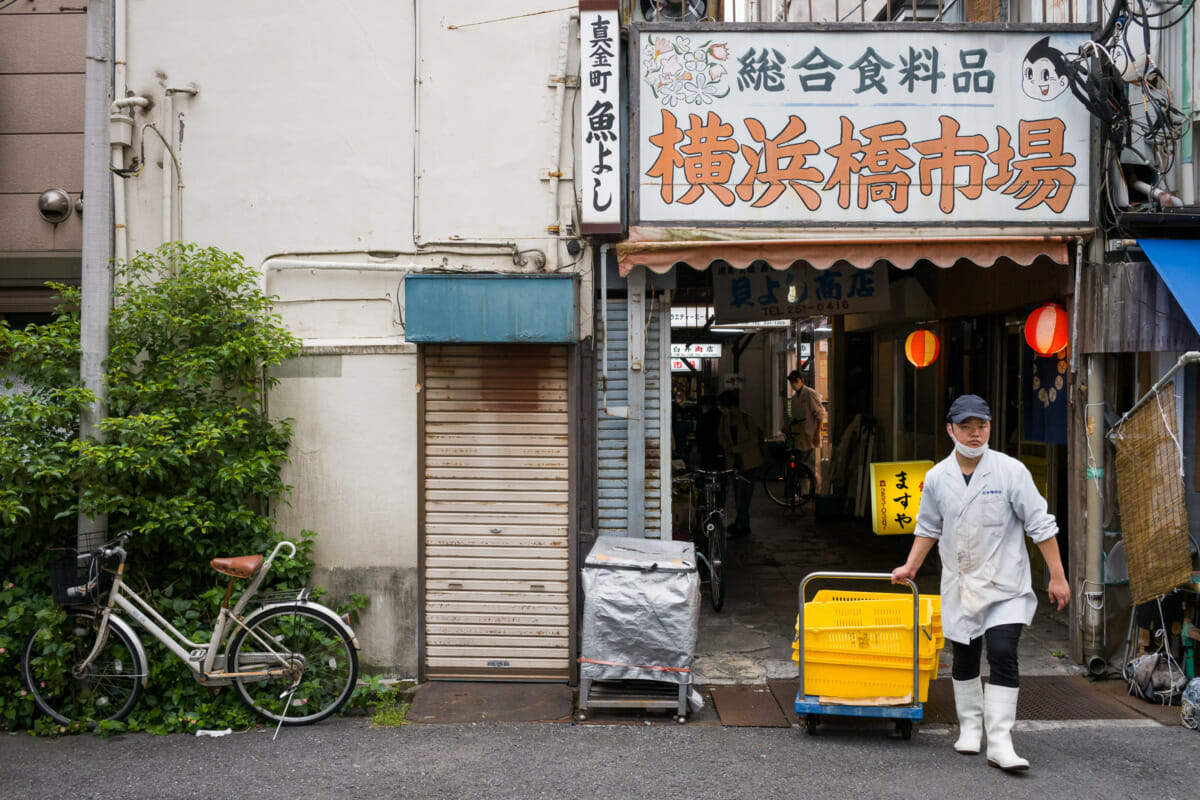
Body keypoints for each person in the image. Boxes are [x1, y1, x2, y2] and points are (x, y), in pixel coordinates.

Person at [891, 394, 1069, 773]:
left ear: (990, 427)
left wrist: (1057, 575)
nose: (975, 434)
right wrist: (910, 566)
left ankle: (1000, 740)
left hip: (1005, 582)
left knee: (1003, 652)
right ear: (950, 429)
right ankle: (970, 727)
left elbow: (1040, 523)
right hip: (961, 583)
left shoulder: (1010, 471)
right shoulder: (938, 477)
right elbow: (928, 528)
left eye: (982, 426)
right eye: (967, 427)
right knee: (965, 654)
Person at [717, 390, 762, 537]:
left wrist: (734, 449)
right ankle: (742, 524)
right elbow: (721, 437)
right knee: (738, 496)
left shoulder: (747, 419)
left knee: (744, 496)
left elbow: (753, 440)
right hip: (734, 464)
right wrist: (727, 447)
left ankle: (741, 525)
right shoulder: (725, 420)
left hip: (749, 463)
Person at [784, 369, 826, 470]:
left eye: (795, 380)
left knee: (804, 464)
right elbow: (795, 418)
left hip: (810, 435)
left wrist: (817, 434)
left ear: (802, 380)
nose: (794, 383)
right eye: (791, 382)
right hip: (799, 436)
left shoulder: (810, 394)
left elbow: (820, 414)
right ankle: (805, 483)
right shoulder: (794, 398)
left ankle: (810, 484)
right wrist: (788, 426)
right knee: (799, 464)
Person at [694, 395, 724, 471]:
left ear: (707, 404)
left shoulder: (704, 417)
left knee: (707, 473)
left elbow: (699, 434)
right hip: (721, 451)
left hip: (707, 452)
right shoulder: (722, 416)